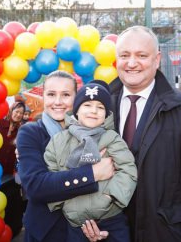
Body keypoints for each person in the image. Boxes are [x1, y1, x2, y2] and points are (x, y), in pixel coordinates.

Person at [83, 26, 181, 242]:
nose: (132, 63)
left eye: (141, 55)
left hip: (164, 233)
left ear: (157, 59)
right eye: (124, 55)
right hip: (107, 233)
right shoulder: (96, 107)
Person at [16, 70, 115, 242]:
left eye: (66, 95)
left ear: (77, 99)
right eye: (51, 94)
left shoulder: (95, 130)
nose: (58, 102)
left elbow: (112, 184)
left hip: (86, 229)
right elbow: (36, 187)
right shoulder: (31, 132)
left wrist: (104, 225)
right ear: (43, 97)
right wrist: (92, 174)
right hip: (45, 231)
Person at [44, 80, 137, 242]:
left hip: (111, 220)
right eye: (87, 105)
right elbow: (51, 174)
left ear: (106, 114)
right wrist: (64, 204)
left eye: (100, 107)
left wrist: (110, 197)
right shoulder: (58, 141)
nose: (93, 111)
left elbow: (128, 169)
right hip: (75, 224)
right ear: (77, 110)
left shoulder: (111, 138)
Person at [0, 100, 26, 237]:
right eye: (17, 111)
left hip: (11, 173)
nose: (19, 115)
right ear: (11, 111)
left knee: (12, 200)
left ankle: (13, 228)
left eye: (21, 113)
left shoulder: (21, 130)